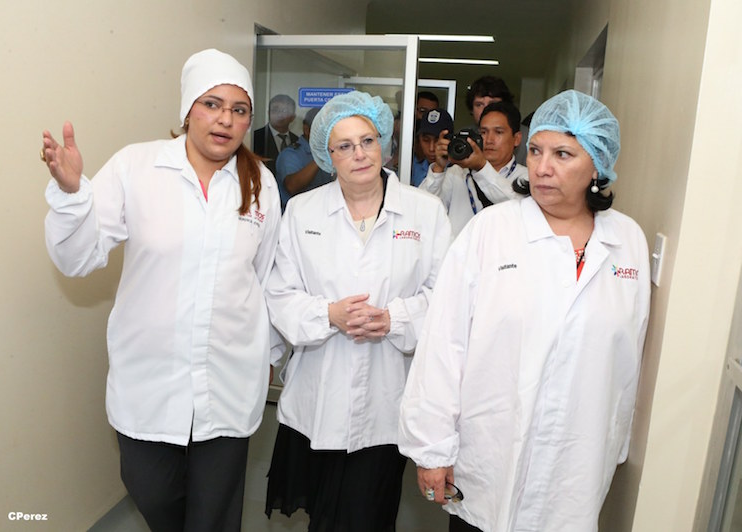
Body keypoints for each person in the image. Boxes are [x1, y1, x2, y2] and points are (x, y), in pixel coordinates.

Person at [41, 49, 282, 532]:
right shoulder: (137, 166)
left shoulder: (261, 184)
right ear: (188, 110)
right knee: (152, 493)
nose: (225, 119)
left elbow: (265, 278)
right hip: (149, 381)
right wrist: (72, 196)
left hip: (229, 380)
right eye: (212, 104)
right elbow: (77, 258)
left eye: (239, 110)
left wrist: (272, 355)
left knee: (214, 517)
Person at [398, 90, 650, 532]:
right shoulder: (492, 230)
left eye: (562, 154)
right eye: (535, 151)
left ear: (597, 164)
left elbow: (628, 359)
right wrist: (432, 449)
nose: (542, 167)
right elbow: (444, 343)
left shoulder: (626, 241)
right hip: (489, 452)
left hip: (577, 460)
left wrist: (615, 442)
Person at [264, 91, 451, 532]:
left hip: (388, 394)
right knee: (323, 516)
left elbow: (445, 298)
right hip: (317, 394)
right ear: (326, 155)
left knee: (368, 514)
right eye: (344, 146)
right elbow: (280, 293)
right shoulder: (303, 211)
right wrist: (329, 314)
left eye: (367, 141)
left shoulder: (425, 212)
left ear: (384, 143)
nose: (360, 154)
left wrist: (394, 319)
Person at [419, 101, 527, 235]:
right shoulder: (456, 172)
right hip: (459, 248)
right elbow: (423, 211)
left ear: (517, 139)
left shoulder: (526, 177)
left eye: (498, 132)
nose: (489, 140)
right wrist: (438, 168)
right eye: (484, 132)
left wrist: (481, 167)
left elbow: (517, 208)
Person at [275, 107, 333, 210]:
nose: (327, 134)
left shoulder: (333, 151)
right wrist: (320, 156)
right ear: (307, 130)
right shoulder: (291, 154)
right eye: (323, 130)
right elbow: (292, 186)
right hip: (297, 215)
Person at [253, 94, 299, 175]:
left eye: (284, 111)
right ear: (268, 113)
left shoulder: (297, 141)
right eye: (275, 110)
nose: (280, 115)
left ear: (293, 117)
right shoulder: (255, 138)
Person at [411, 108, 454, 187]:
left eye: (437, 140)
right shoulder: (412, 167)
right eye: (426, 140)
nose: (431, 148)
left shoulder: (460, 172)